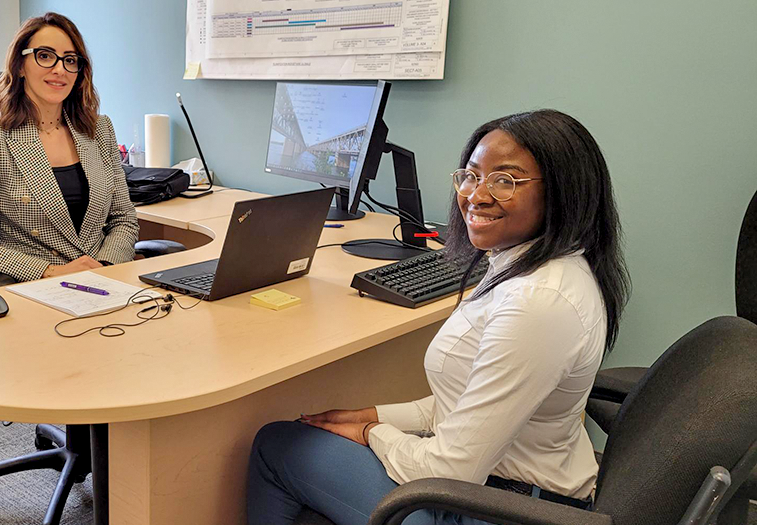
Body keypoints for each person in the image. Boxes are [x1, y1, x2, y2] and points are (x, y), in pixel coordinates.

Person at [247, 110, 631, 525]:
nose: (476, 195)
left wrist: (371, 434)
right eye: (471, 175)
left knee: (277, 445)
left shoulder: (537, 303)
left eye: (505, 181)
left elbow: (450, 471)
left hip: (496, 508)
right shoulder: (542, 266)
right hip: (509, 484)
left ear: (563, 192)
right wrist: (378, 415)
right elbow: (471, 402)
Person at [0, 12, 139, 282]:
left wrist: (104, 267)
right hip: (34, 288)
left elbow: (123, 220)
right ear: (20, 65)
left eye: (70, 60)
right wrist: (53, 272)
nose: (60, 69)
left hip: (104, 282)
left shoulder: (99, 129)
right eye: (45, 56)